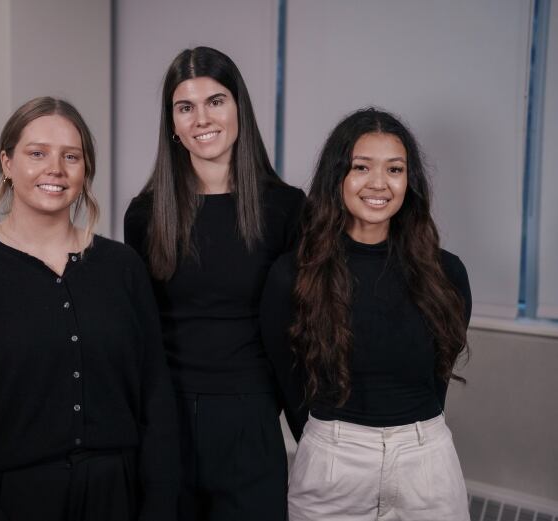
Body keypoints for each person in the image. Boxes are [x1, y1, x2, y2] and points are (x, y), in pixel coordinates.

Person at [0, 97, 179, 521]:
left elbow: (155, 398)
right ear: (6, 162)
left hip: (116, 498)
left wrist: (161, 506)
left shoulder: (122, 267)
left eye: (70, 156)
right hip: (8, 501)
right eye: (36, 154)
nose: (54, 168)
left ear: (85, 169)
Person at [260, 108, 472, 521]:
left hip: (426, 461)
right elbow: (287, 379)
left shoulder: (447, 272)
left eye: (395, 169)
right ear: (337, 176)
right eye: (361, 167)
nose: (379, 183)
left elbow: (438, 375)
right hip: (331, 463)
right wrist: (330, 441)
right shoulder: (293, 274)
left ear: (409, 181)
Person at [124, 46, 306, 521]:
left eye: (216, 101)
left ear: (239, 108)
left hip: (250, 420)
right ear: (172, 124)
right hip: (166, 419)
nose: (201, 118)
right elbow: (139, 331)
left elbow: (301, 327)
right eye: (185, 107)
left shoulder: (285, 208)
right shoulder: (144, 215)